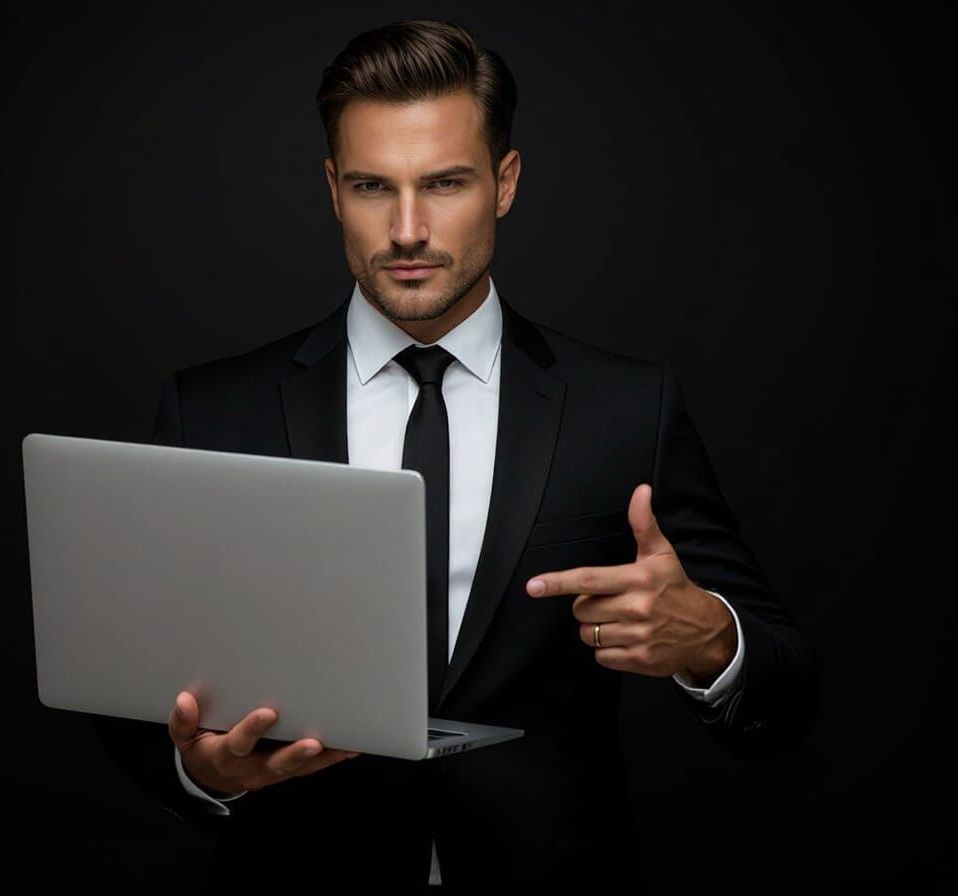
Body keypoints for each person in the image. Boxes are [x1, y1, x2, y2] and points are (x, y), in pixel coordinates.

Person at [89, 19, 818, 893]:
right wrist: (202, 772)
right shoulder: (212, 410)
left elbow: (786, 698)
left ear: (504, 184)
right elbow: (127, 702)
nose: (406, 228)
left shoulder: (625, 407)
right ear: (331, 189)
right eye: (371, 186)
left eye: (444, 183)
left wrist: (710, 641)